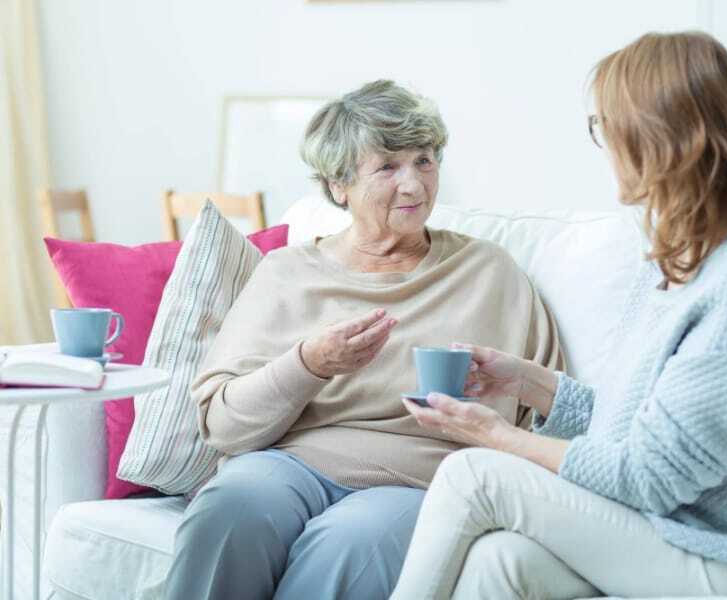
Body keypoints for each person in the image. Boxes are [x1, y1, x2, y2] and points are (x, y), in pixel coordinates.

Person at [392, 31, 727, 599]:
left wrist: (498, 436)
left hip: (718, 559)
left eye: (604, 125)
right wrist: (527, 382)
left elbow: (652, 474)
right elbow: (633, 429)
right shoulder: (685, 261)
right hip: (662, 532)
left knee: (473, 473)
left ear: (656, 136)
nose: (602, 143)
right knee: (500, 559)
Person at [163, 79, 563, 600]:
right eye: (388, 167)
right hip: (288, 464)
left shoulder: (489, 272)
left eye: (424, 160)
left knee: (348, 543)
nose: (415, 185)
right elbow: (222, 425)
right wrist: (309, 363)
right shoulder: (289, 274)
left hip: (418, 479)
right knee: (227, 512)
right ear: (338, 186)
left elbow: (551, 412)